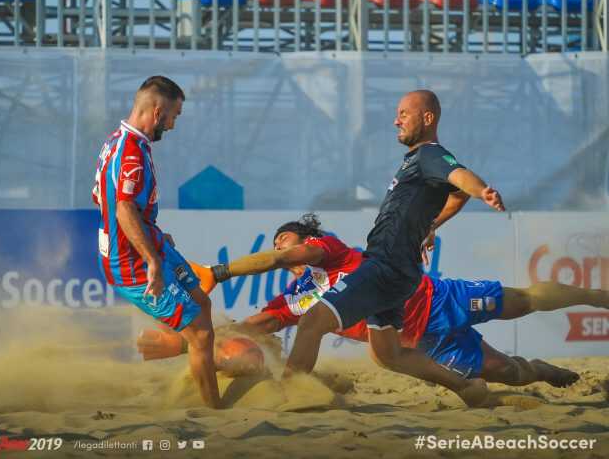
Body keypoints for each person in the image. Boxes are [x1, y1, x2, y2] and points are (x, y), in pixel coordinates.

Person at [140, 216, 606, 391]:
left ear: (306, 239)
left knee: (523, 301)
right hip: (421, 344)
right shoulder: (296, 301)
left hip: (436, 298)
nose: (281, 250)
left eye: (286, 240)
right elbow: (253, 326)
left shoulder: (328, 249)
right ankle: (543, 370)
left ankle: (597, 296)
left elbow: (284, 256)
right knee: (510, 373)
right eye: (277, 245)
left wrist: (221, 271)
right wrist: (188, 342)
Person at [267, 90, 507, 406]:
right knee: (387, 355)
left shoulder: (429, 155)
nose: (396, 120)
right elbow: (456, 192)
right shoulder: (418, 161)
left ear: (427, 118)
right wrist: (433, 224)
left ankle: (287, 398)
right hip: (398, 271)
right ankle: (465, 388)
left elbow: (459, 176)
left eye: (404, 114)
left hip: (386, 267)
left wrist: (482, 190)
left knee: (313, 321)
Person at [92, 76, 221, 408]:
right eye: (174, 116)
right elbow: (122, 209)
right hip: (132, 262)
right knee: (201, 333)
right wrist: (150, 259)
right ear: (158, 111)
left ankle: (203, 381)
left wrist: (151, 232)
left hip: (149, 244)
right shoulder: (130, 152)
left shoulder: (118, 141)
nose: (173, 125)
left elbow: (105, 199)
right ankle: (214, 411)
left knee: (203, 306)